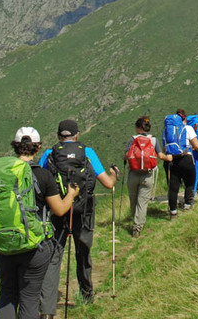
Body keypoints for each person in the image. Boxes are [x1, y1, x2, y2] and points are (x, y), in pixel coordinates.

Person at [0, 127, 80, 319]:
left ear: (15, 146)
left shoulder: (1, 175)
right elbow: (59, 209)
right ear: (38, 147)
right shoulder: (42, 175)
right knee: (29, 298)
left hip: (5, 244)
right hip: (34, 246)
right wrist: (72, 194)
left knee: (7, 294)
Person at [38, 119, 119, 309]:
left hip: (58, 210)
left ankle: (47, 305)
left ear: (58, 136)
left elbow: (39, 182)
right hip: (84, 211)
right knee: (83, 251)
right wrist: (114, 174)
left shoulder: (49, 154)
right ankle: (86, 295)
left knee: (54, 255)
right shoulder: (87, 152)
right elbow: (108, 184)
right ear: (77, 135)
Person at [123, 115, 171, 237]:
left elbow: (126, 155)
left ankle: (135, 219)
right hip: (147, 175)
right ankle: (137, 227)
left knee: (133, 200)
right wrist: (169, 158)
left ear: (138, 128)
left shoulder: (133, 139)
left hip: (133, 174)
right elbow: (160, 156)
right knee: (143, 202)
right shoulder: (153, 140)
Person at [162, 109, 198, 217]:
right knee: (189, 183)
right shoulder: (188, 128)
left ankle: (173, 212)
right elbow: (197, 146)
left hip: (171, 160)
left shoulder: (167, 130)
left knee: (173, 188)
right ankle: (187, 206)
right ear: (184, 118)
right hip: (186, 159)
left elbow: (164, 147)